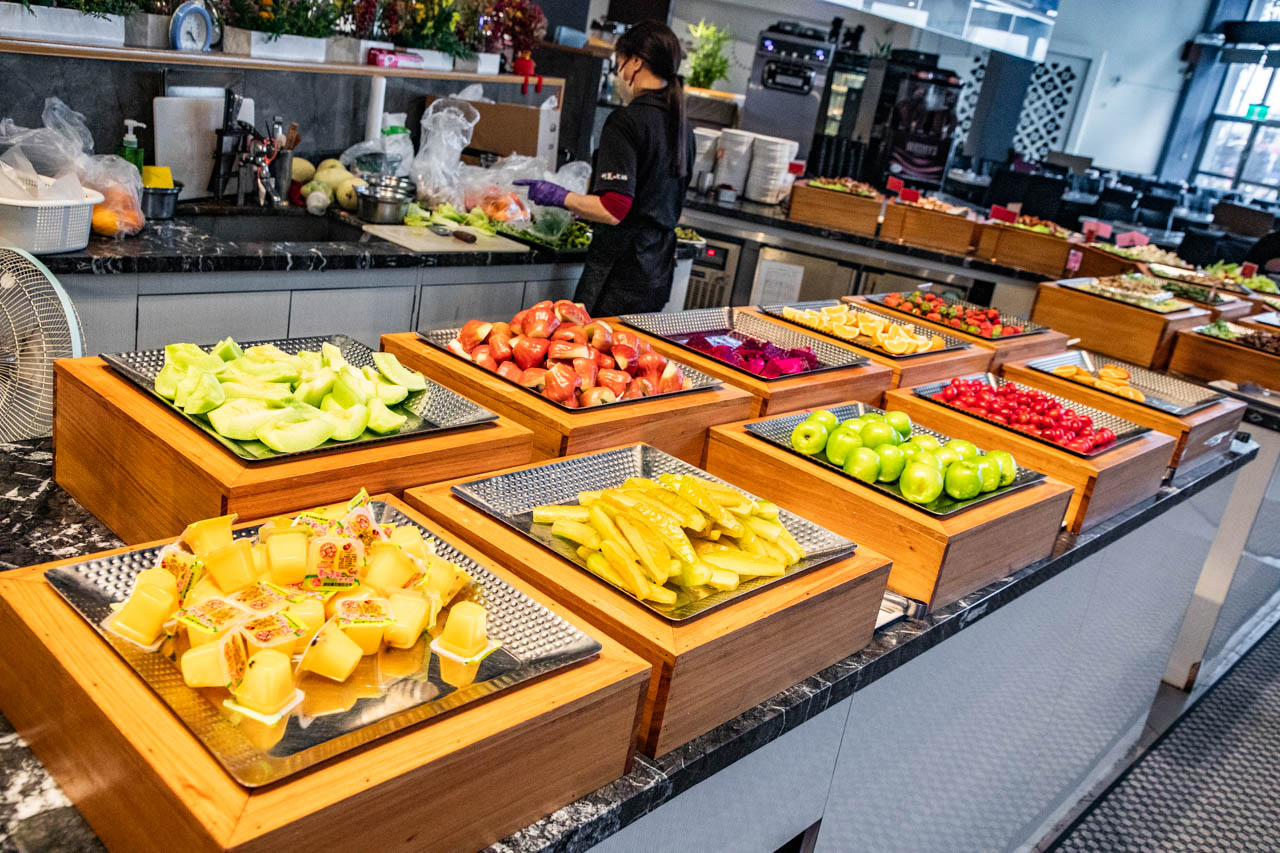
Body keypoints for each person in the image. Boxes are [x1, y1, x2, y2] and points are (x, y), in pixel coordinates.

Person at [515, 20, 696, 315]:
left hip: (619, 274)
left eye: (619, 63)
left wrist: (559, 196)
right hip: (656, 271)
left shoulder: (625, 122)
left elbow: (614, 208)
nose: (618, 73)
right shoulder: (682, 126)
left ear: (636, 62)